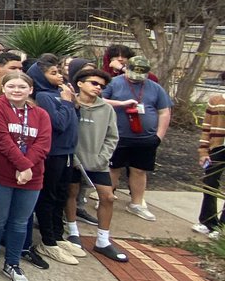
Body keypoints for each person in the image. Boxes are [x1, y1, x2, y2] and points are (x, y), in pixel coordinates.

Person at [0, 72, 53, 281]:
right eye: (11, 86)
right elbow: (2, 140)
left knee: (20, 222)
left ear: (30, 90)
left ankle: (12, 263)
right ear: (3, 88)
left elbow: (43, 144)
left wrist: (27, 167)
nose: (16, 90)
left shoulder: (40, 114)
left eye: (22, 87)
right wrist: (23, 166)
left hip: (32, 177)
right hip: (3, 173)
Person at [26, 54, 82, 267]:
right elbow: (57, 123)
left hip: (67, 151)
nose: (60, 76)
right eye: (53, 73)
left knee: (62, 194)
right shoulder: (44, 97)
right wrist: (67, 104)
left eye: (60, 72)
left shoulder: (60, 93)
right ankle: (47, 241)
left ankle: (58, 236)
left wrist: (72, 103)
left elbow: (72, 122)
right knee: (48, 196)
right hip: (54, 152)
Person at [103, 56, 171, 222]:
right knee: (113, 168)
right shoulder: (114, 83)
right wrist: (122, 103)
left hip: (145, 137)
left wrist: (159, 136)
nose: (137, 78)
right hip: (118, 135)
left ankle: (137, 203)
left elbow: (164, 111)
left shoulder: (155, 88)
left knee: (139, 170)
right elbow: (100, 101)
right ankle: (106, 198)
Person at [71, 68, 127, 261]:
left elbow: (112, 137)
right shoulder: (70, 103)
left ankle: (103, 240)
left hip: (97, 163)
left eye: (102, 86)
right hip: (73, 161)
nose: (98, 88)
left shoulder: (106, 109)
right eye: (94, 83)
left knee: (108, 197)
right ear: (80, 83)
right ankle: (72, 232)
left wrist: (102, 158)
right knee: (71, 193)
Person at [197, 90, 225, 238]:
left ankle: (223, 228)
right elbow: (206, 128)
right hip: (217, 147)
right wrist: (203, 151)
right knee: (210, 183)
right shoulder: (215, 101)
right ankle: (208, 222)